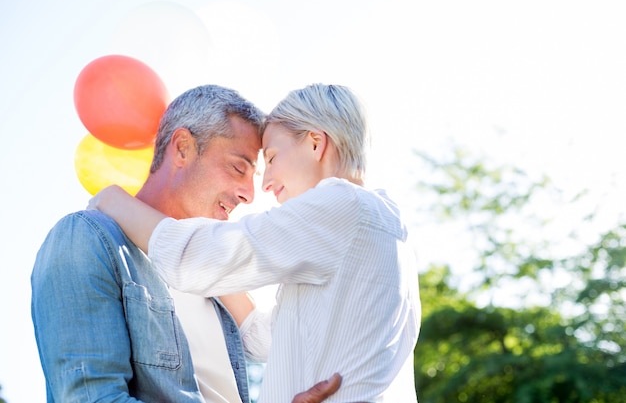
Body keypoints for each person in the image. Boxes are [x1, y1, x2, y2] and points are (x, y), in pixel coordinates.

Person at [91, 83, 421, 402]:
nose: (265, 184)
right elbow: (265, 341)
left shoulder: (341, 205)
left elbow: (192, 260)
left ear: (316, 144)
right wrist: (224, 269)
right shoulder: (376, 228)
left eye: (273, 157)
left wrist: (111, 198)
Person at [31, 84, 341, 403]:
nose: (249, 194)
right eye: (238, 168)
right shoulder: (86, 239)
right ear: (182, 148)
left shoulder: (211, 281)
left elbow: (264, 339)